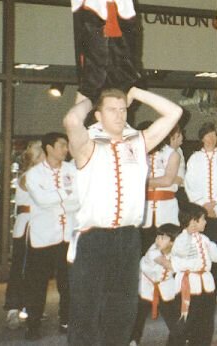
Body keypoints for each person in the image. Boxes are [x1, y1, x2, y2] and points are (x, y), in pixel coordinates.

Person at [63, 87, 182, 346]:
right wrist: (88, 97)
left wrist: (136, 92)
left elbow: (175, 111)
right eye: (111, 110)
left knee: (123, 310)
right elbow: (72, 121)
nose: (119, 115)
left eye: (122, 109)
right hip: (94, 239)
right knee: (86, 310)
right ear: (98, 115)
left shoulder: (138, 144)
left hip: (128, 238)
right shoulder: (86, 148)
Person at [23, 132, 78, 340]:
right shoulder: (34, 174)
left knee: (68, 283)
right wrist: (67, 195)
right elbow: (42, 200)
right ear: (49, 148)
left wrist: (60, 197)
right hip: (43, 237)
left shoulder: (73, 170)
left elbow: (80, 199)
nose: (66, 149)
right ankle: (33, 324)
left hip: (68, 236)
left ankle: (66, 320)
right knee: (37, 283)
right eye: (62, 145)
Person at [171, 202, 217, 346]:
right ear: (193, 221)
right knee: (185, 322)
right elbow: (180, 252)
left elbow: (215, 253)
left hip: (206, 286)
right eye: (203, 219)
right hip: (189, 287)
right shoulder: (181, 239)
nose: (205, 221)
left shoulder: (204, 239)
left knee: (206, 323)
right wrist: (188, 233)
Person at [184, 122, 217, 307]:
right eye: (207, 135)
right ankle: (203, 291)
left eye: (213, 134)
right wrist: (204, 205)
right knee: (201, 251)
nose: (211, 138)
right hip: (201, 212)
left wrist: (216, 203)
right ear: (202, 137)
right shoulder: (195, 159)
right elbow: (190, 183)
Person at [3, 139, 43, 330]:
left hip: (41, 226)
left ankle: (31, 305)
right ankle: (13, 308)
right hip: (28, 226)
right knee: (22, 267)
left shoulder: (42, 174)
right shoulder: (29, 176)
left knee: (36, 269)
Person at [130, 223, 183, 346]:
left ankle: (176, 341)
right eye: (157, 237)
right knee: (138, 317)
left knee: (174, 318)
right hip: (146, 287)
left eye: (163, 238)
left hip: (165, 287)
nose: (158, 240)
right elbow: (167, 264)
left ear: (173, 242)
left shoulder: (177, 252)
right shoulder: (153, 251)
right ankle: (133, 341)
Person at [142, 124, 185, 251]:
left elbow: (167, 180)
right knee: (144, 252)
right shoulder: (139, 153)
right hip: (145, 212)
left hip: (167, 210)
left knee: (167, 251)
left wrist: (142, 183)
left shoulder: (172, 154)